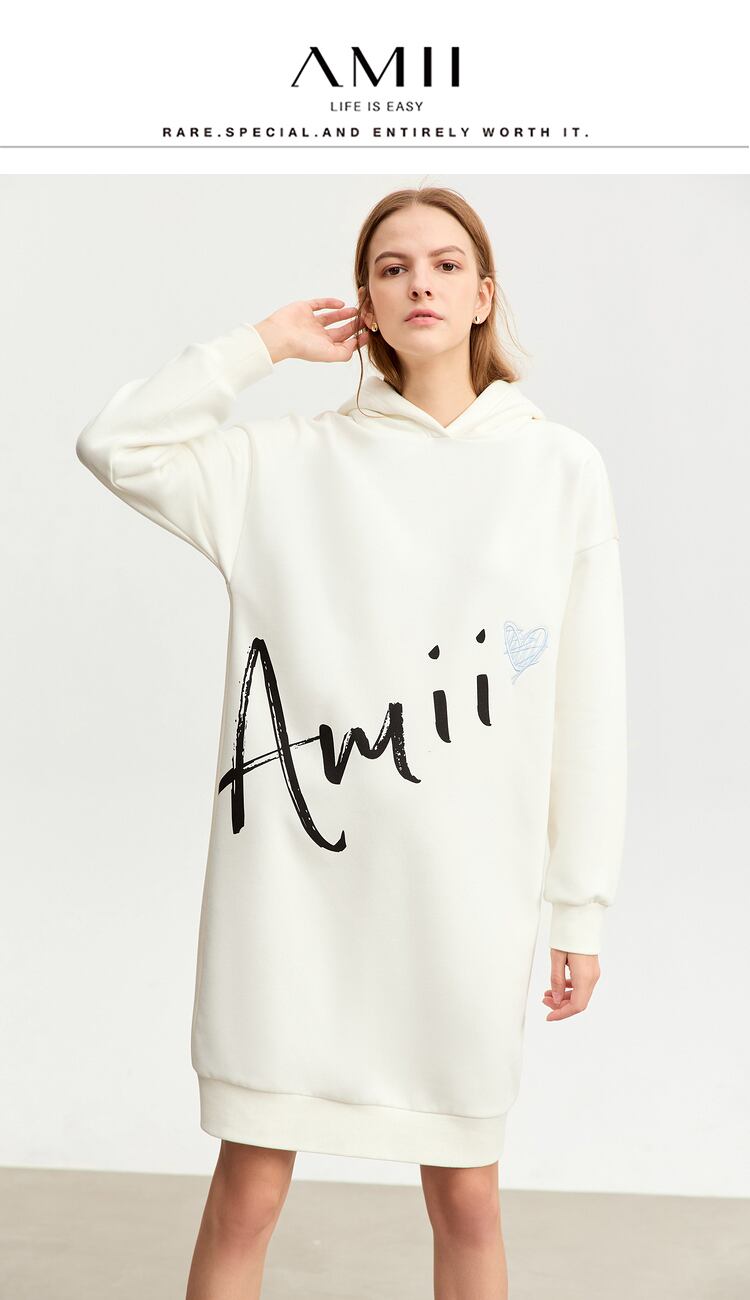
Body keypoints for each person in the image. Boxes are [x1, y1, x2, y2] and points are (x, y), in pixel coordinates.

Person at [75, 186, 627, 1300]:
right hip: (292, 896)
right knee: (248, 1188)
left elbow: (588, 700)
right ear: (364, 301)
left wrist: (579, 905)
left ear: (484, 293)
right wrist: (261, 346)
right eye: (391, 267)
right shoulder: (284, 464)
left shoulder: (558, 469)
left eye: (445, 263)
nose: (420, 282)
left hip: (463, 896)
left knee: (467, 1196)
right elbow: (115, 444)